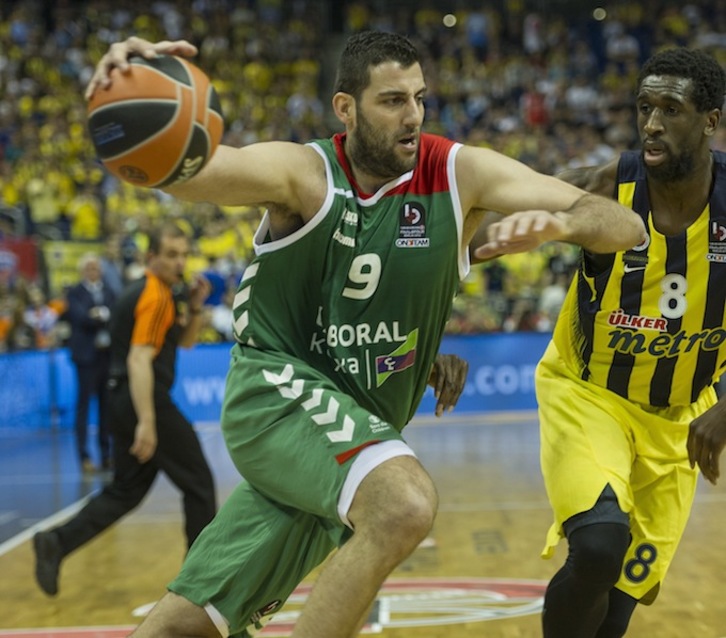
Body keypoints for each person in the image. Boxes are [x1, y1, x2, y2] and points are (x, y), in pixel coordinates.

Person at [80, 32, 645, 638]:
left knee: (181, 625)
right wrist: (121, 106)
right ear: (345, 108)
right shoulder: (305, 173)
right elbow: (195, 171)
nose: (413, 117)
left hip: (345, 430)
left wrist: (558, 224)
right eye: (392, 100)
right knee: (403, 503)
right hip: (277, 398)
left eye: (420, 98)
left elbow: (624, 224)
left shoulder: (458, 173)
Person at [527, 48, 726, 637]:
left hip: (677, 420)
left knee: (618, 607)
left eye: (671, 108)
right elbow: (500, 206)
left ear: (710, 121)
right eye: (644, 107)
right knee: (597, 546)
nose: (651, 124)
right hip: (587, 397)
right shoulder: (605, 186)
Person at [33, 221, 217, 597]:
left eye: (183, 255)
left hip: (123, 400)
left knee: (126, 491)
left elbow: (184, 343)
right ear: (151, 257)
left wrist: (195, 308)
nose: (178, 262)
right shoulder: (154, 294)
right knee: (199, 483)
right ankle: (201, 586)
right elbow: (138, 359)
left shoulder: (165, 292)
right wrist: (147, 421)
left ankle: (56, 541)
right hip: (140, 399)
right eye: (170, 255)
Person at [64, 252, 117, 473]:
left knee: (107, 406)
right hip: (86, 357)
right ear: (83, 271)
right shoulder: (75, 293)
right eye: (89, 268)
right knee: (84, 406)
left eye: (96, 268)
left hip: (106, 355)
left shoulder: (108, 291)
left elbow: (116, 315)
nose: (93, 272)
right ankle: (84, 455)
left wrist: (101, 314)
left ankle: (106, 454)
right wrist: (97, 316)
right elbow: (80, 317)